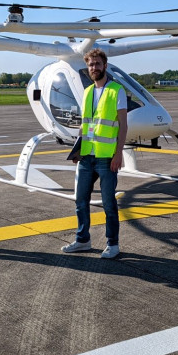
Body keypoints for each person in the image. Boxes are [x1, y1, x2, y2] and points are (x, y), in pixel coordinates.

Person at [62, 48, 128, 259]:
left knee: (109, 203)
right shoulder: (88, 91)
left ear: (105, 66)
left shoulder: (116, 91)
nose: (94, 68)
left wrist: (119, 154)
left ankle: (113, 244)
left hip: (107, 156)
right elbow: (86, 124)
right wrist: (78, 150)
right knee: (80, 200)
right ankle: (83, 240)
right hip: (87, 156)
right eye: (91, 64)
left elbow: (123, 126)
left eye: (97, 64)